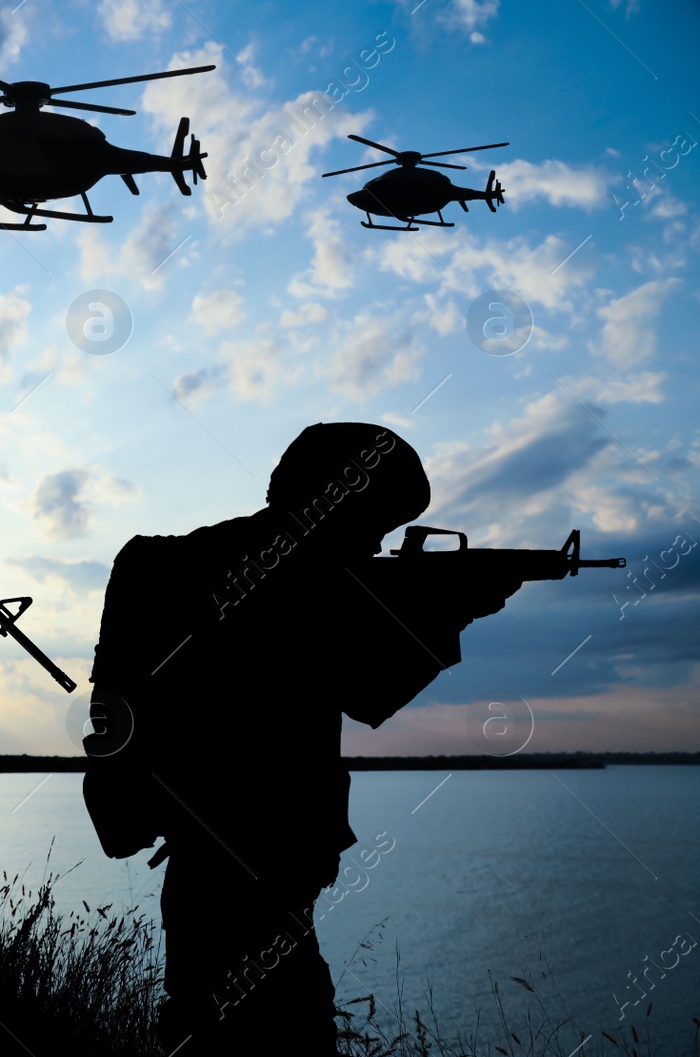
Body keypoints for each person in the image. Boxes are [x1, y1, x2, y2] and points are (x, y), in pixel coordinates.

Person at [83, 422, 521, 1055]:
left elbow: (116, 708)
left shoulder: (159, 563)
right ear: (337, 501)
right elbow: (369, 693)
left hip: (209, 863)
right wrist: (454, 611)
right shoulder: (305, 587)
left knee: (204, 1025)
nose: (375, 543)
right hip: (254, 872)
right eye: (375, 522)